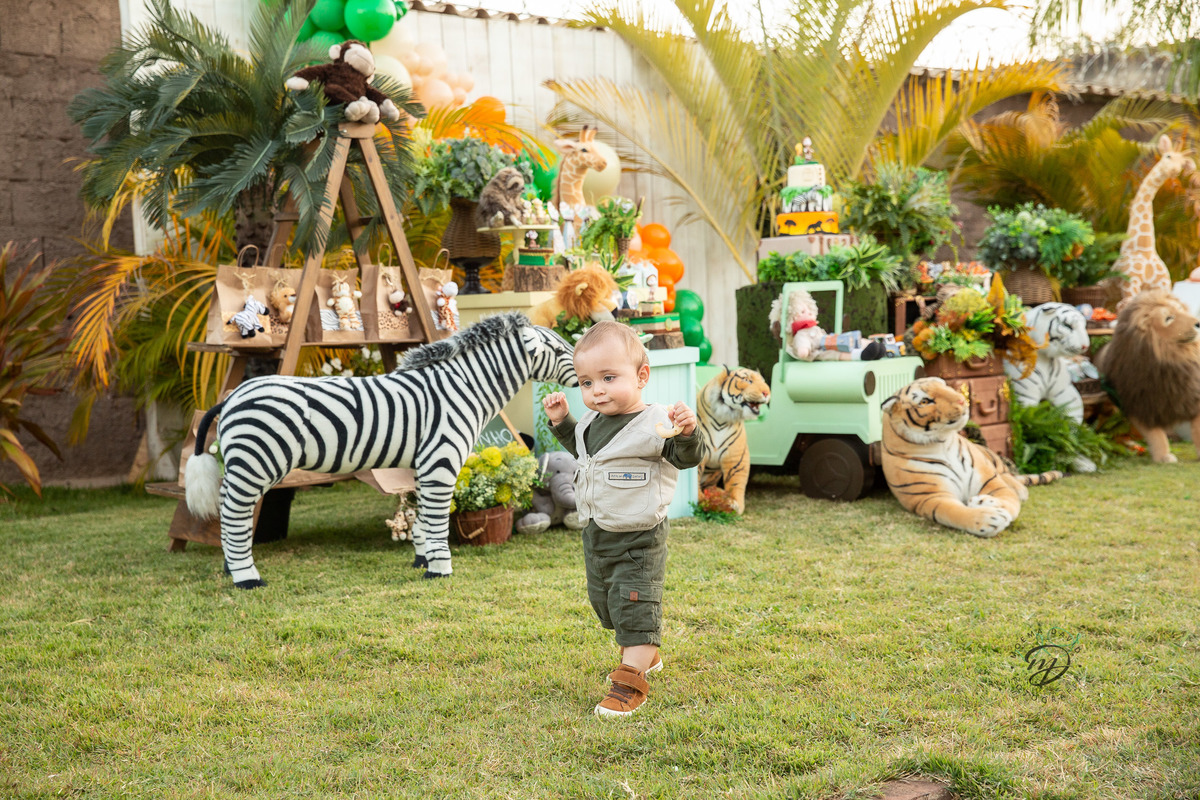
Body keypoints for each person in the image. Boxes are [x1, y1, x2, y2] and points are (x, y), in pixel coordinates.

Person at [542, 321, 704, 717]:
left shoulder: (657, 423)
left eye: (608, 378)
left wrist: (687, 432)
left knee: (635, 604)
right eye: (586, 382)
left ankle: (629, 681)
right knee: (609, 603)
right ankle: (642, 653)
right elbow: (584, 452)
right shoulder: (590, 424)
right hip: (598, 534)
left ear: (641, 376)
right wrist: (563, 421)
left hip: (639, 539)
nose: (596, 390)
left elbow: (688, 458)